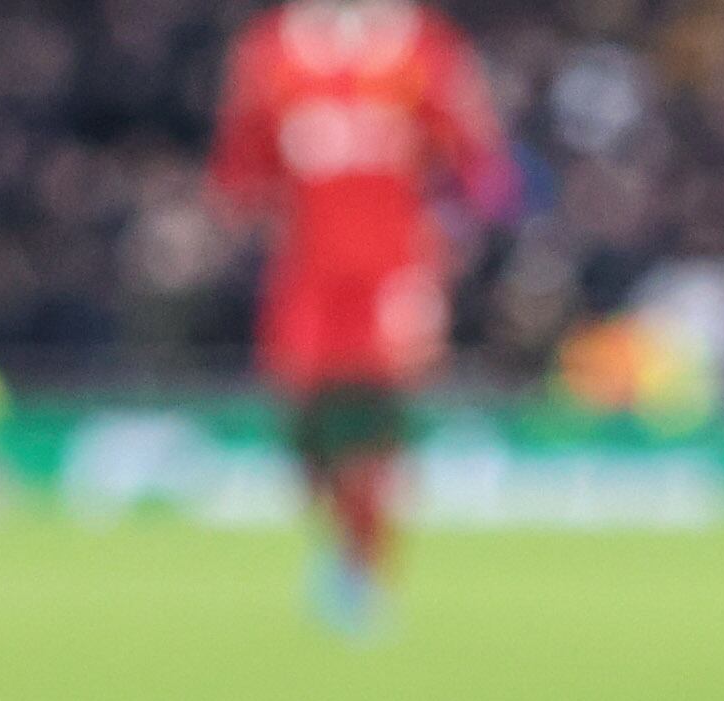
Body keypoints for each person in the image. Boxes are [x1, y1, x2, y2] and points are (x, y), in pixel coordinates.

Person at [208, 0, 517, 637]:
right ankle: (343, 543)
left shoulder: (424, 48)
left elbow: (475, 154)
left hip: (391, 269)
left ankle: (365, 572)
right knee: (306, 427)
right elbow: (242, 164)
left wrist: (468, 225)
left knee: (373, 427)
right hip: (306, 272)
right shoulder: (271, 52)